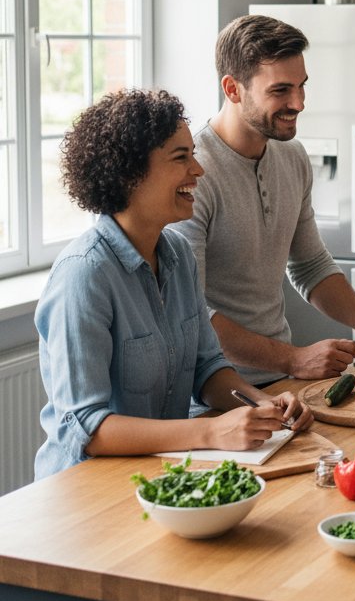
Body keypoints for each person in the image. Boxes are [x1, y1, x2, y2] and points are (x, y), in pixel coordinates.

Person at [35, 89, 313, 480]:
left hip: (159, 476)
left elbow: (207, 368)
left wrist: (262, 403)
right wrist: (212, 431)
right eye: (181, 158)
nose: (197, 170)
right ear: (128, 174)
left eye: (193, 155)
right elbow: (86, 426)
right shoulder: (84, 275)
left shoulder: (178, 254)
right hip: (86, 490)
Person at [173, 14, 355, 387]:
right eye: (280, 90)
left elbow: (310, 265)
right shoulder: (193, 174)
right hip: (213, 395)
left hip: (283, 384)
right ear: (233, 88)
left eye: (302, 86)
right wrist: (294, 359)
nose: (299, 103)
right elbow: (191, 314)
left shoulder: (292, 157)